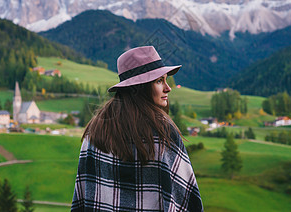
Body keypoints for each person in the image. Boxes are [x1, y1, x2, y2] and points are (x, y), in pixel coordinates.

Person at [71, 46, 203, 211]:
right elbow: (187, 200)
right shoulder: (163, 131)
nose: (168, 88)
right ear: (140, 87)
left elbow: (81, 198)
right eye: (159, 81)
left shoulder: (95, 130)